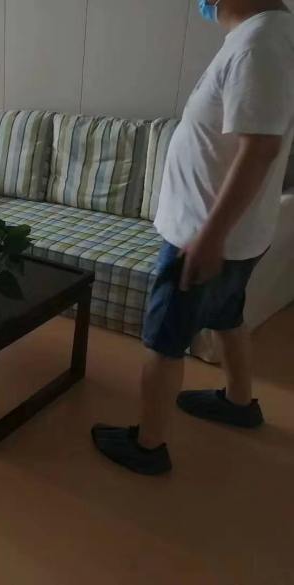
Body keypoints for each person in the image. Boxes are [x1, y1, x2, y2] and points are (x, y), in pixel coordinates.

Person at [92, 0, 294, 475]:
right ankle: (239, 403)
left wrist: (210, 237)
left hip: (205, 236)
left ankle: (148, 445)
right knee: (227, 315)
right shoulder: (265, 35)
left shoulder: (259, 45)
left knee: (164, 340)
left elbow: (260, 149)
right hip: (230, 234)